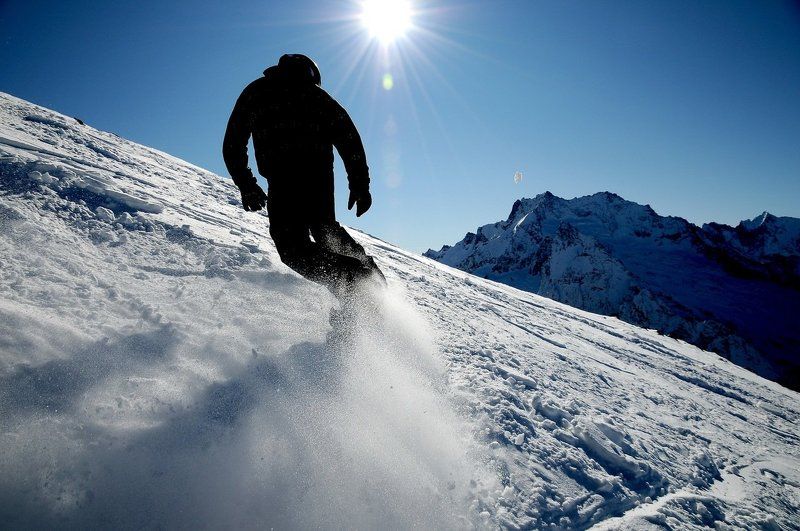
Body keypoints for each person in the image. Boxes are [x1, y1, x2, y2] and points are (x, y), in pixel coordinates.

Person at [223, 54, 385, 296]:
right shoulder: (317, 97)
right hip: (315, 179)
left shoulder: (256, 92)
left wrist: (247, 184)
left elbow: (233, 144)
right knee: (324, 231)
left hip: (283, 181)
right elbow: (350, 141)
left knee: (293, 249)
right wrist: (360, 185)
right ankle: (365, 278)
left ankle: (354, 280)